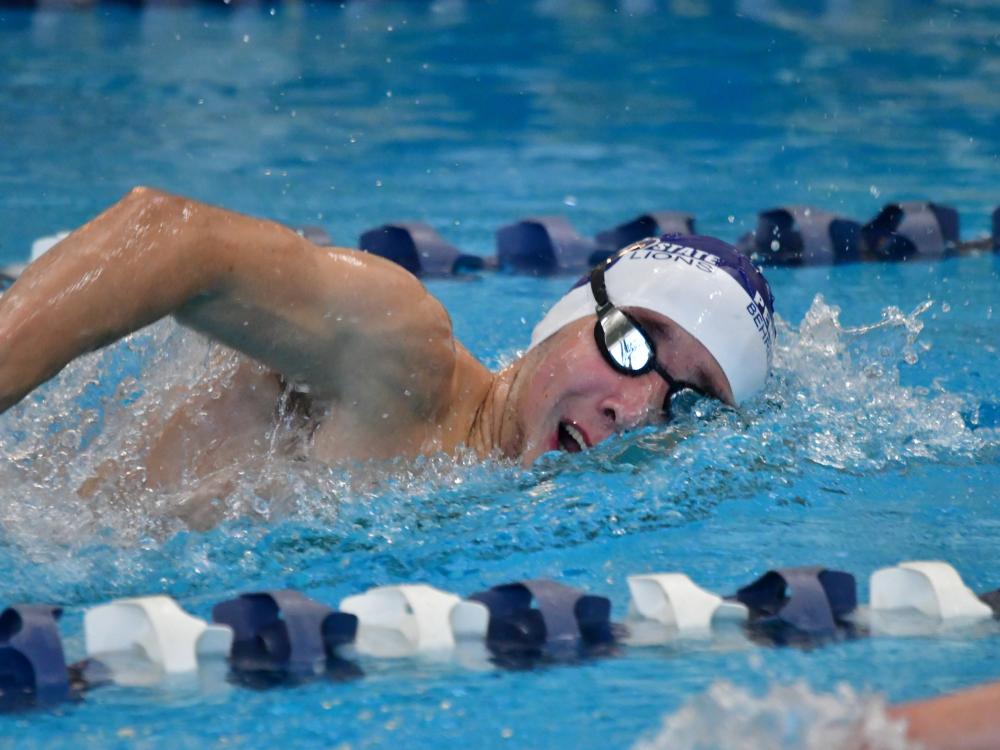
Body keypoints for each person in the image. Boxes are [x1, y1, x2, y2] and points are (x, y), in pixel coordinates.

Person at [0, 187, 776, 490]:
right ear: (574, 310)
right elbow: (173, 238)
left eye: (687, 402)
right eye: (632, 345)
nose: (636, 410)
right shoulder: (403, 357)